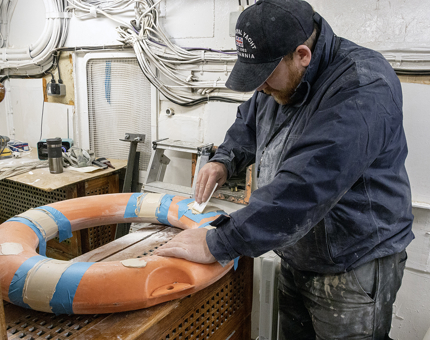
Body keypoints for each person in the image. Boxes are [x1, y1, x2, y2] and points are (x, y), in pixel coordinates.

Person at [154, 0, 414, 338]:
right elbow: (250, 121)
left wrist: (219, 243)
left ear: (302, 55)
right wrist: (225, 159)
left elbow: (307, 184)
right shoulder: (281, 78)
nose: (260, 87)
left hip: (353, 263)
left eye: (264, 77)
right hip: (298, 252)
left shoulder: (362, 85)